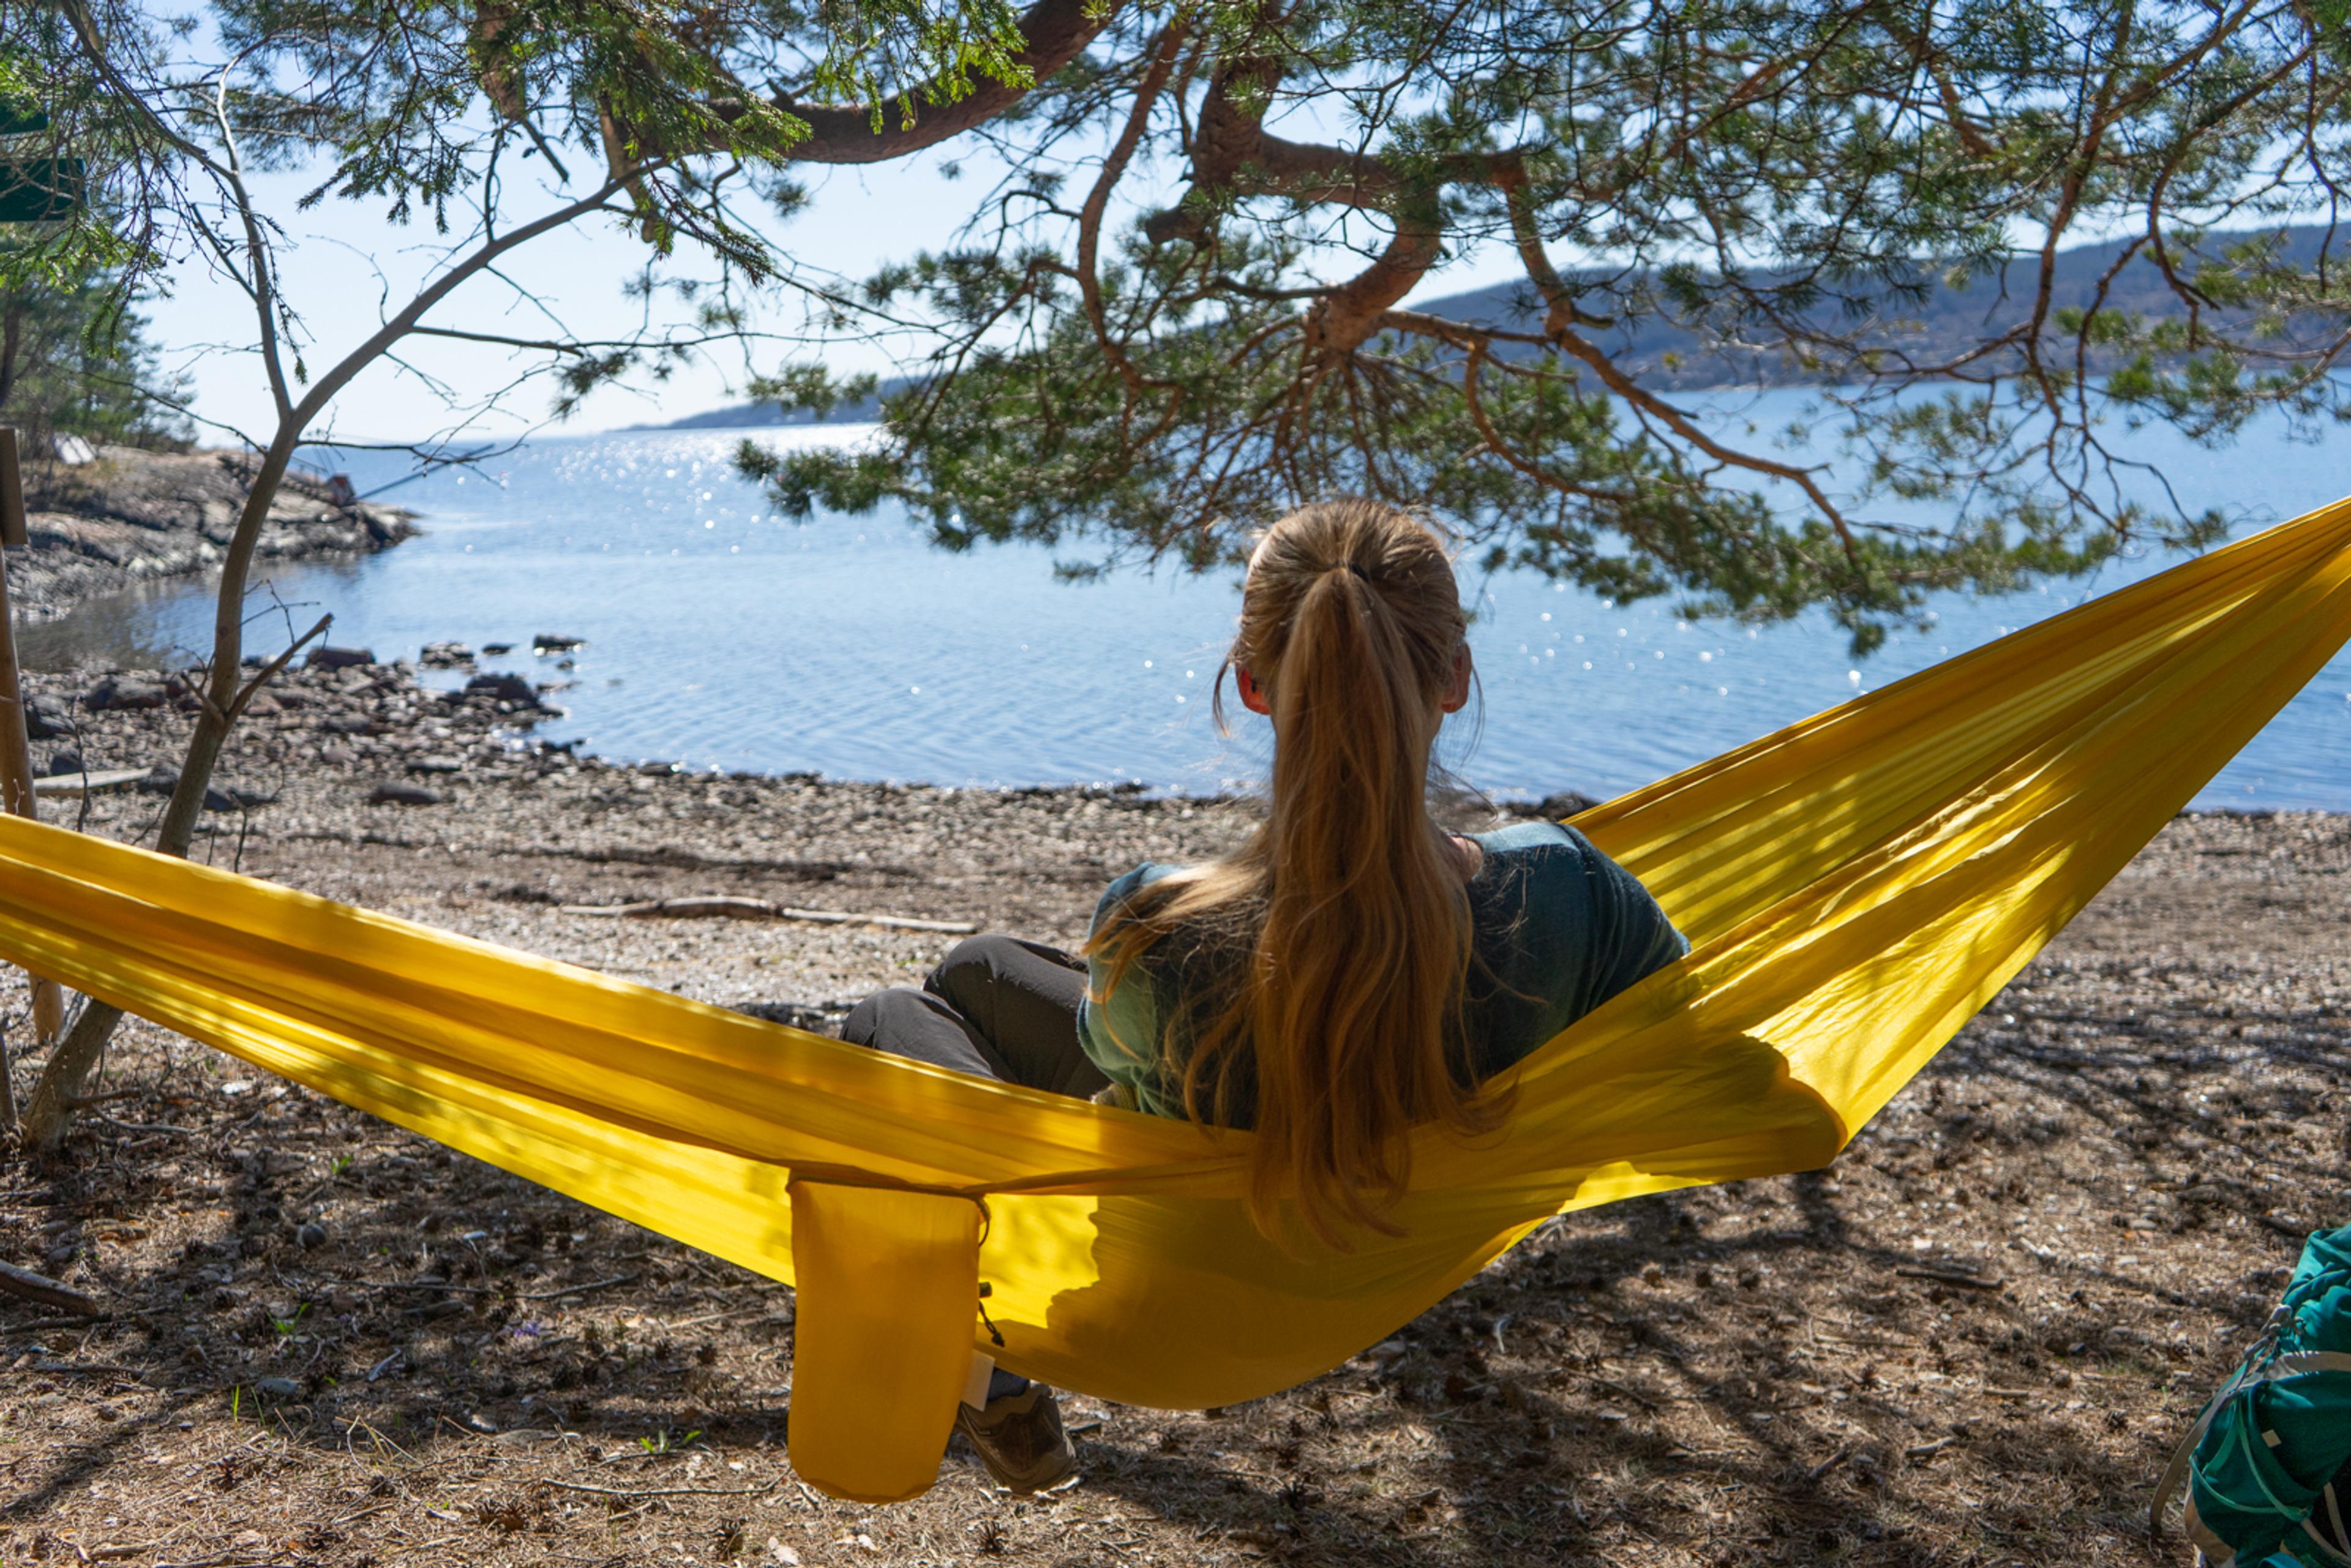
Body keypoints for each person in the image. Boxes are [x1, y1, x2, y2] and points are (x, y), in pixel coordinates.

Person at [840, 496, 1689, 1492]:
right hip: (1391, 1264)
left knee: (892, 1020)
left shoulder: (1155, 925)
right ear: (1456, 677)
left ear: (1250, 684)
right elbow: (1698, 1038)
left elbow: (1115, 1046)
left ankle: (991, 1366)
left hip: (1171, 1308)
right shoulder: (1572, 891)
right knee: (981, 965)